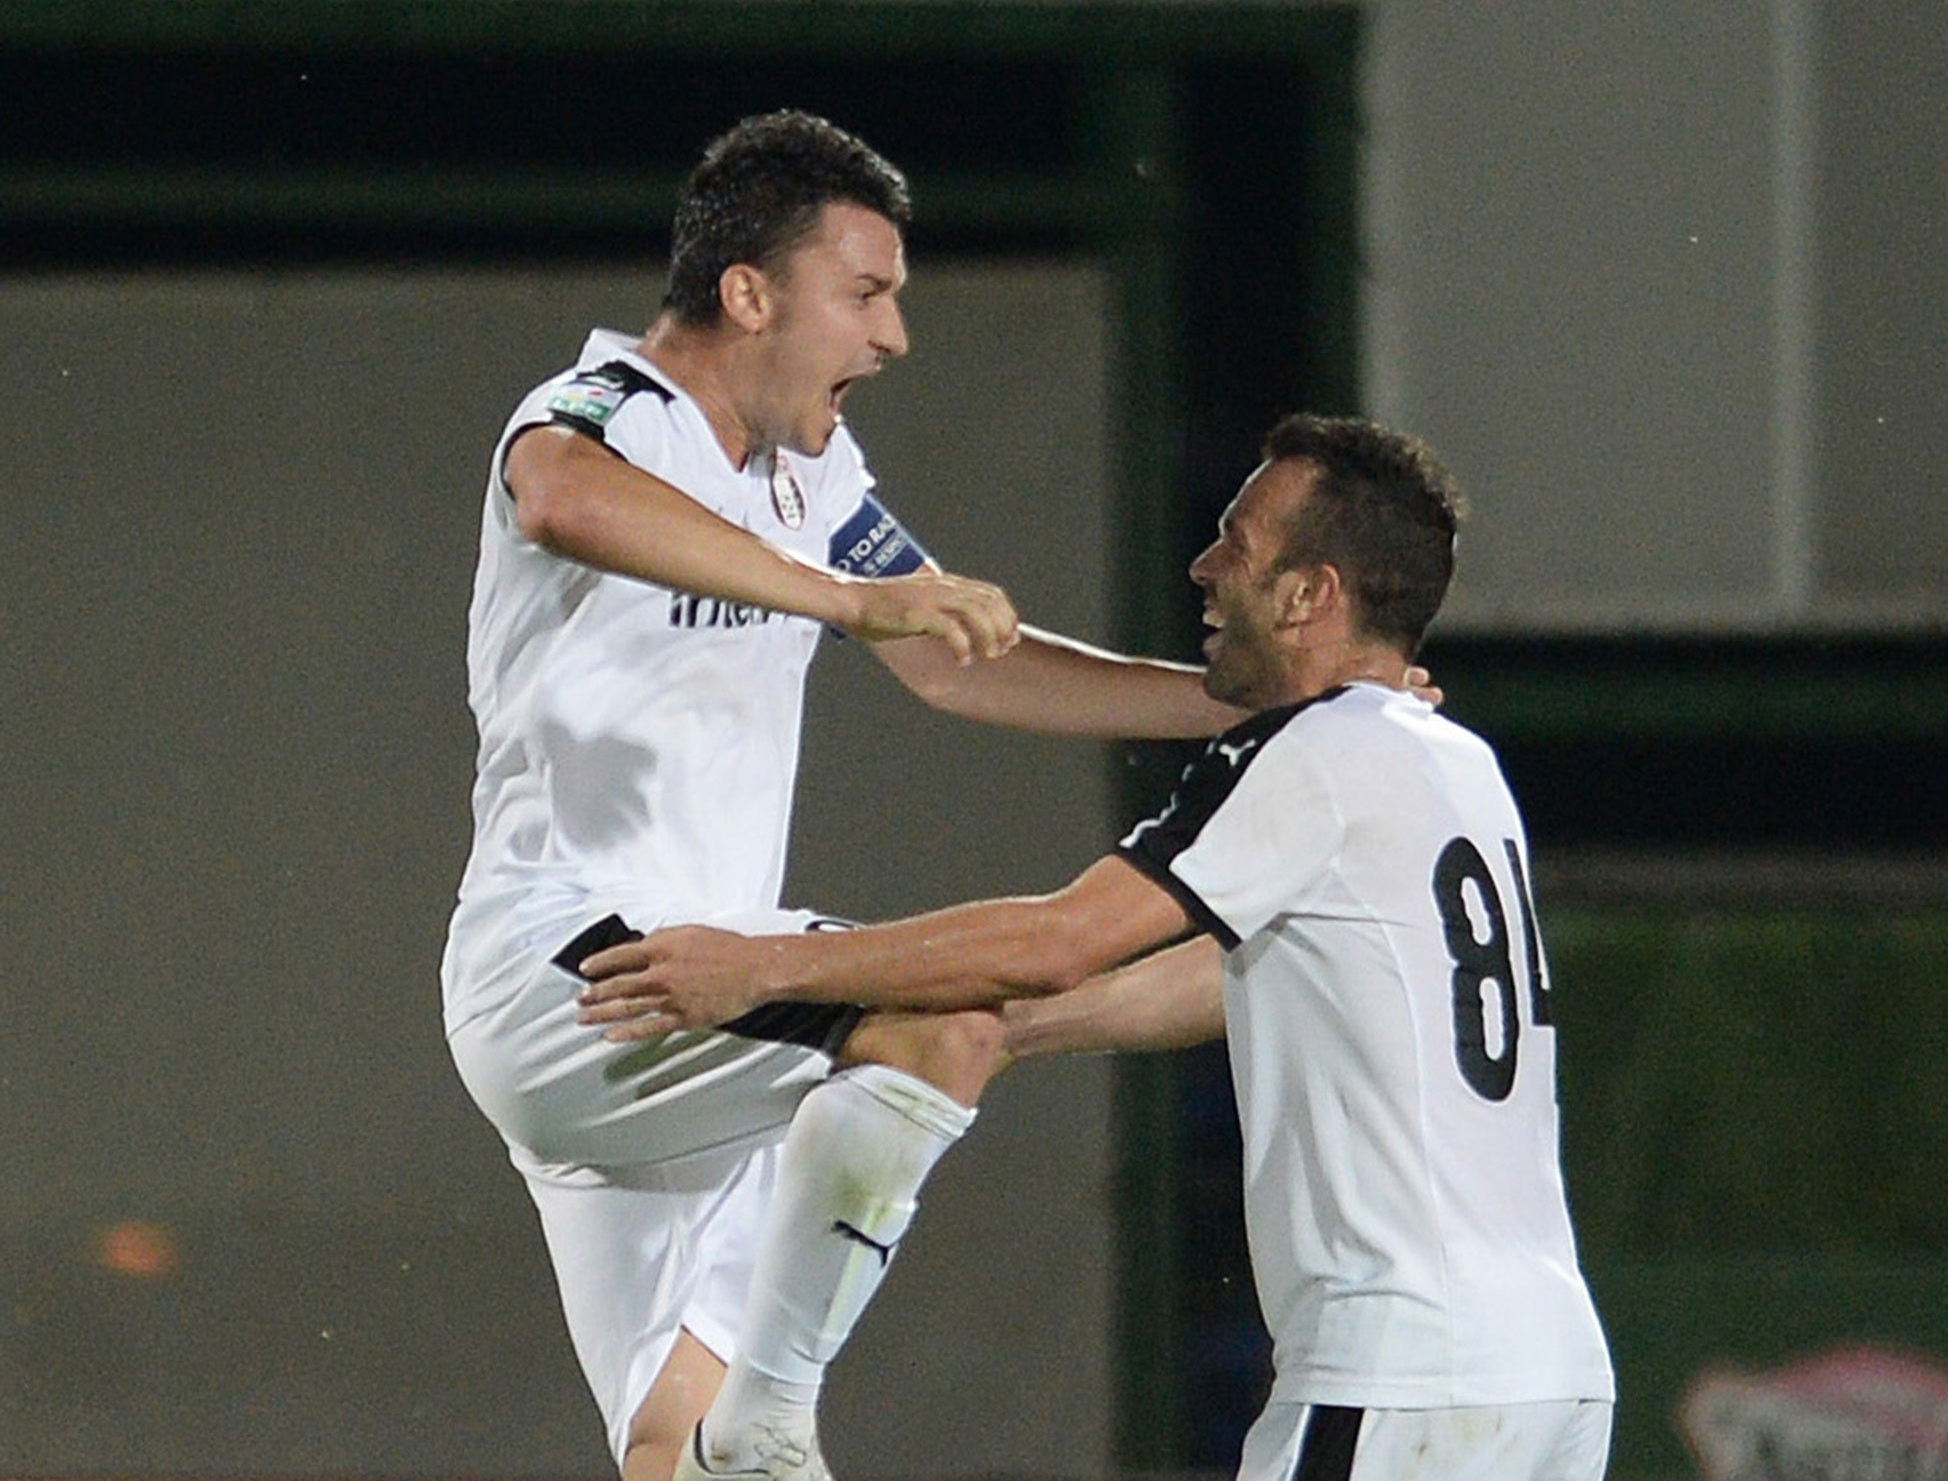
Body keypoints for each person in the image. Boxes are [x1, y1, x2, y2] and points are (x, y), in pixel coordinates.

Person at [439, 108, 1257, 1481]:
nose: (893, 337)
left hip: (702, 1012)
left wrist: (1239, 703)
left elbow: (959, 667)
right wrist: (845, 602)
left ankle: (736, 1432)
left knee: (667, 1451)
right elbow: (560, 501)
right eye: (865, 294)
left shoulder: (812, 475)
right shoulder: (598, 410)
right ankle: (773, 1408)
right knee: (940, 1015)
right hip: (579, 967)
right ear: (749, 293)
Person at [576, 414, 1618, 1481]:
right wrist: (1006, 1031)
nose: (1203, 568)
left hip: (1405, 1371)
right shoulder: (1456, 763)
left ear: (1310, 596)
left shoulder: (1309, 754)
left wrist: (763, 968)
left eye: (1237, 543)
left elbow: (1057, 937)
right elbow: (1246, 980)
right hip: (1552, 1366)